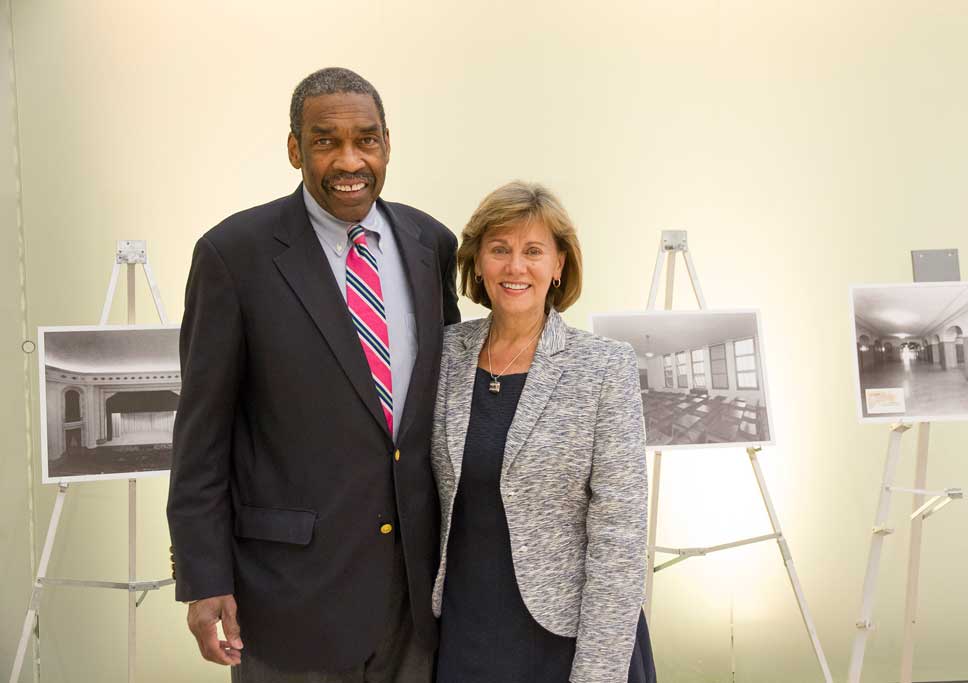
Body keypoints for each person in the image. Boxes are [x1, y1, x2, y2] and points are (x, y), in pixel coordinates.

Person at [166, 67, 460, 682]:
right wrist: (203, 574)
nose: (350, 160)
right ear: (295, 149)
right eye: (326, 141)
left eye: (366, 139)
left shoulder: (430, 243)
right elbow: (201, 434)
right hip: (289, 599)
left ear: (387, 143)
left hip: (416, 600)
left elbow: (441, 412)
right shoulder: (233, 254)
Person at [429, 181, 655, 682]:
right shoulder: (444, 354)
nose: (515, 267)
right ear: (478, 263)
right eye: (499, 249)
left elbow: (620, 534)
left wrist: (598, 672)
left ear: (559, 265)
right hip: (464, 634)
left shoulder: (603, 366)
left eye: (533, 251)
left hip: (566, 641)